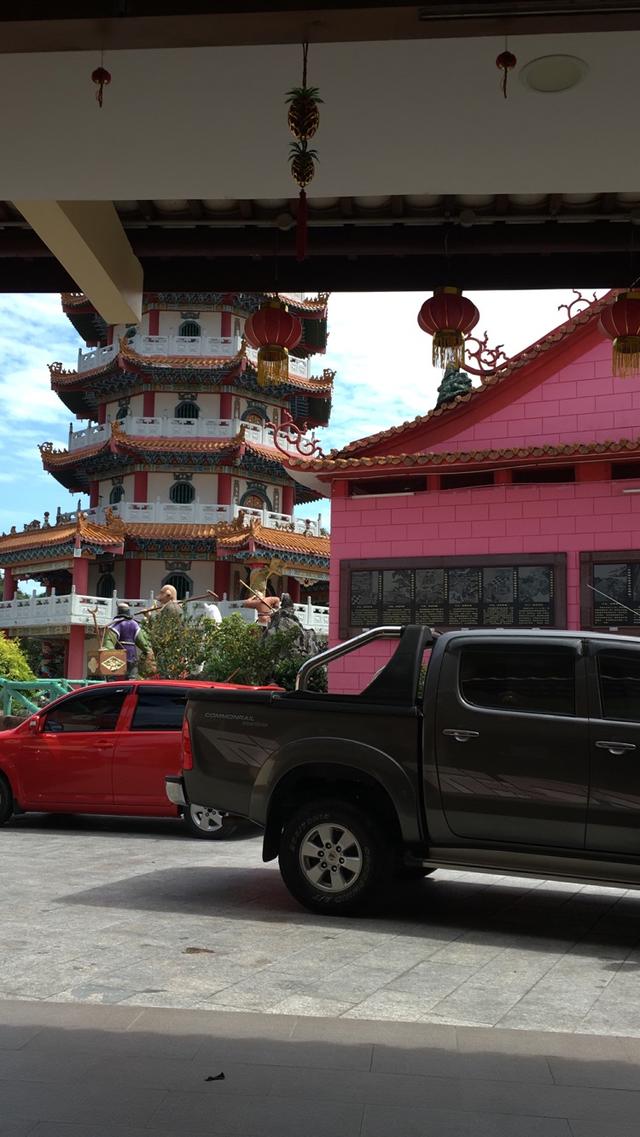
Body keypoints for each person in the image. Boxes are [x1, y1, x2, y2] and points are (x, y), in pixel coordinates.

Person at [103, 602, 155, 678]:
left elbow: (109, 642)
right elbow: (142, 642)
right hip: (132, 655)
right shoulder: (134, 624)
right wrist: (148, 650)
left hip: (118, 656)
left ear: (118, 611)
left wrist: (107, 651)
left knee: (114, 679)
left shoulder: (115, 624)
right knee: (132, 677)